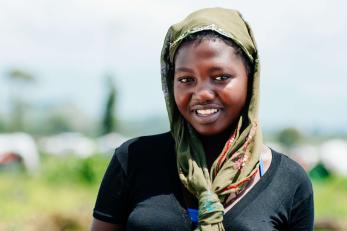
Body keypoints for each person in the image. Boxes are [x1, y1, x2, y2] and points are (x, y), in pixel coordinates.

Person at [91, 7, 314, 231]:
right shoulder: (134, 159)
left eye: (221, 77)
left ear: (250, 79)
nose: (203, 93)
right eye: (186, 79)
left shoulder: (289, 180)